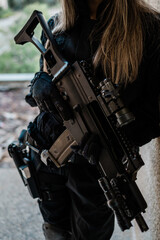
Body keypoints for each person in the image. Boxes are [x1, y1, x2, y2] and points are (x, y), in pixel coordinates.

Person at [25, 0, 160, 239]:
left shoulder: (149, 29)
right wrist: (38, 83)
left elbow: (154, 114)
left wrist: (115, 141)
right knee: (55, 229)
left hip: (94, 167)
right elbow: (50, 76)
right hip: (47, 154)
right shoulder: (58, 23)